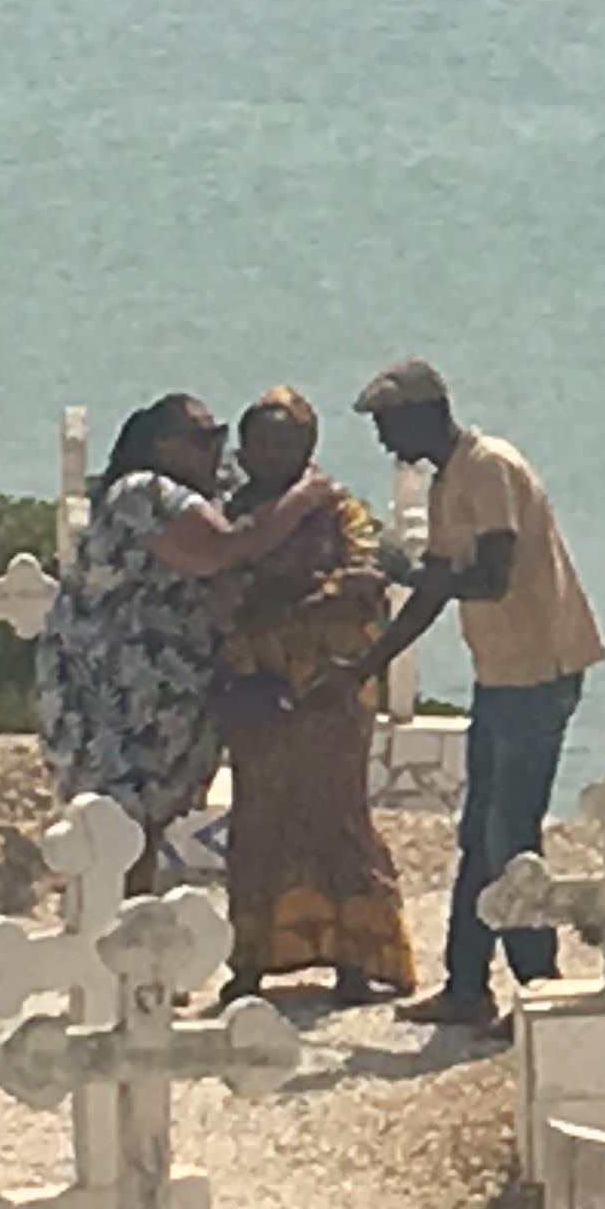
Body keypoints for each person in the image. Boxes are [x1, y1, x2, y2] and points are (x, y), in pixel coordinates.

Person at [339, 356, 605, 1042]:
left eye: (388, 424)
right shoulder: (449, 480)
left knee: (509, 839)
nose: (382, 441)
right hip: (502, 674)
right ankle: (466, 987)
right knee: (477, 833)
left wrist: (404, 570)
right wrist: (368, 663)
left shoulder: (487, 470)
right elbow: (435, 587)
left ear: (427, 413)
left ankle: (541, 992)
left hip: (537, 671)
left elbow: (489, 577)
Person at [38, 392, 345, 885]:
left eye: (221, 436)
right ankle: (111, 932)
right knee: (118, 827)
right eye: (203, 439)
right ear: (165, 445)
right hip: (116, 696)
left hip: (166, 696)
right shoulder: (143, 492)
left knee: (149, 825)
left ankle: (131, 929)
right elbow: (222, 549)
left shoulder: (205, 490)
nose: (215, 449)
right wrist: (302, 499)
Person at [207, 387, 417, 1007]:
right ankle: (251, 961)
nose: (273, 454)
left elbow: (364, 579)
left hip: (331, 687)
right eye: (262, 442)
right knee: (259, 818)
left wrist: (291, 606)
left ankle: (355, 961)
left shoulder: (337, 511)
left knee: (335, 816)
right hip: (257, 688)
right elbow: (220, 594)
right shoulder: (227, 517)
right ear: (243, 449)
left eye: (287, 443)